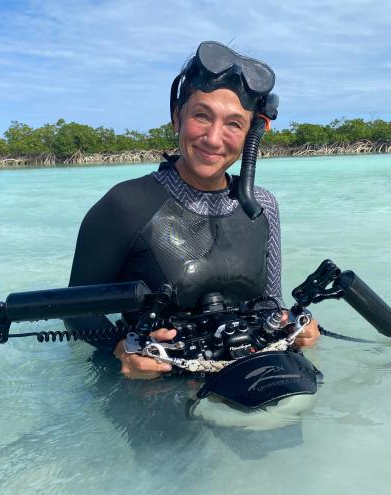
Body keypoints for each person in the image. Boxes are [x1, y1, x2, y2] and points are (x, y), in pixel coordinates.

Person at [66, 41, 320, 379]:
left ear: (251, 135)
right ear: (177, 118)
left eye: (233, 124)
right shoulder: (125, 204)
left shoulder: (263, 206)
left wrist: (296, 328)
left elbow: (272, 303)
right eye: (202, 116)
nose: (214, 139)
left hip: (247, 370)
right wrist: (120, 348)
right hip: (152, 382)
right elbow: (75, 310)